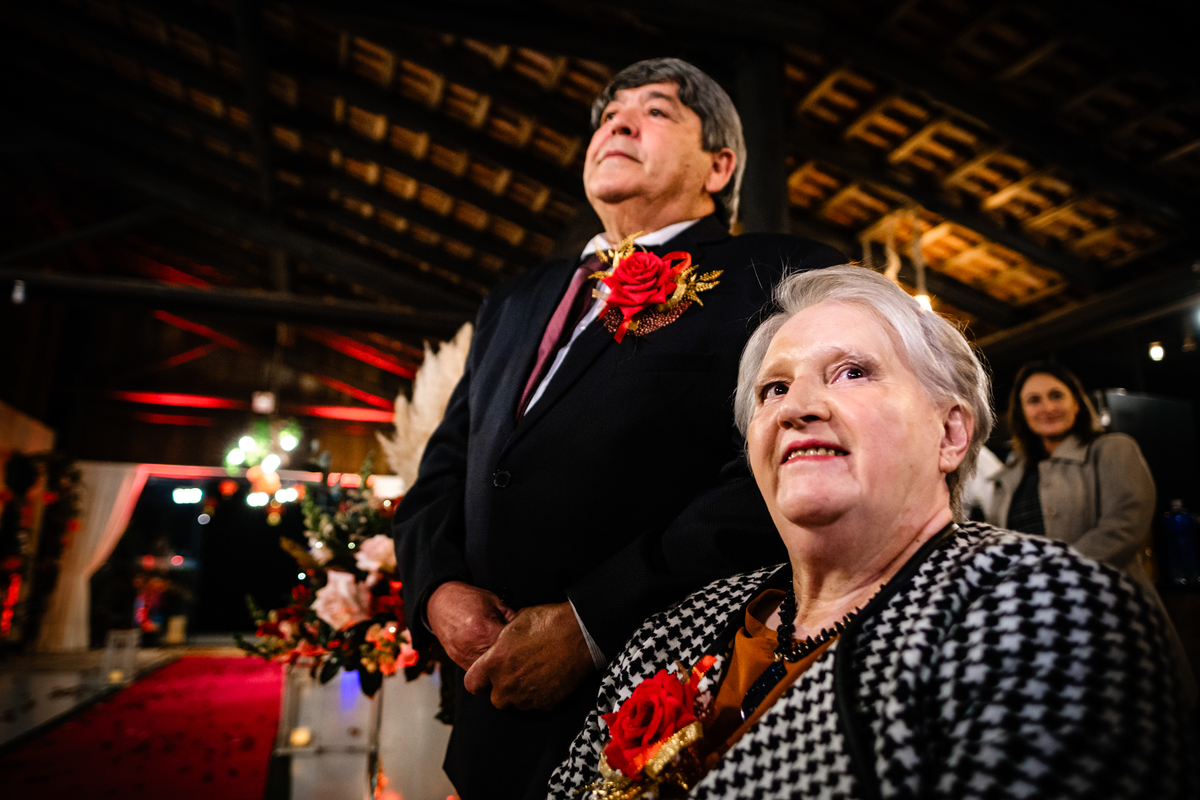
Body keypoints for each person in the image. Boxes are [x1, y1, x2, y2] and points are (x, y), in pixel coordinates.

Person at [550, 266, 1196, 799]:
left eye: (853, 372)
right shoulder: (671, 630)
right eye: (774, 389)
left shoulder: (1048, 606)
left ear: (950, 433)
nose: (797, 408)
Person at [392, 58, 843, 799]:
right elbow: (446, 464)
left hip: (664, 706)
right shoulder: (514, 300)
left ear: (720, 166)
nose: (619, 124)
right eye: (609, 115)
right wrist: (436, 589)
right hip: (492, 722)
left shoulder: (781, 275)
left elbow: (783, 471)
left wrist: (588, 623)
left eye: (656, 111)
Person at [986, 362, 1155, 590]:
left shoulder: (1113, 449)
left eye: (1056, 395)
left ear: (1076, 403)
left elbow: (1124, 528)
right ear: (1022, 413)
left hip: (1109, 600)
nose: (1047, 407)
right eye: (1034, 400)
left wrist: (1051, 577)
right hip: (1033, 604)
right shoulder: (1008, 476)